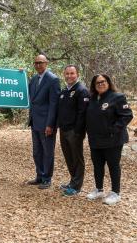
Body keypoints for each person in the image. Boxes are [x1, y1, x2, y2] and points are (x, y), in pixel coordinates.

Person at [85, 74, 133, 205]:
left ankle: (115, 193)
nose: (100, 84)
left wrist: (113, 129)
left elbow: (127, 115)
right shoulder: (92, 98)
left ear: (108, 82)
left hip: (113, 140)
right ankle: (99, 189)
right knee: (97, 165)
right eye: (97, 83)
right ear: (94, 86)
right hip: (95, 139)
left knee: (113, 165)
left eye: (103, 81)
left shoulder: (117, 97)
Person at [26, 54, 61, 189]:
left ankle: (47, 178)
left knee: (47, 151)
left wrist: (50, 124)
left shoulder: (53, 79)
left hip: (46, 123)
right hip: (34, 121)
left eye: (41, 62)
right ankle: (39, 176)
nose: (38, 65)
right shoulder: (34, 79)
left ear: (46, 63)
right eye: (36, 63)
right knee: (37, 151)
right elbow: (27, 93)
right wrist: (20, 74)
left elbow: (54, 104)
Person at [57, 65, 90, 196]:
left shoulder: (81, 90)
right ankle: (72, 181)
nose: (69, 76)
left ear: (77, 74)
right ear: (64, 75)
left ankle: (76, 186)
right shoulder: (65, 90)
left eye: (72, 73)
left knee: (77, 158)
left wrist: (78, 131)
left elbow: (83, 113)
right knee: (69, 157)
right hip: (64, 129)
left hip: (74, 131)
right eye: (67, 73)